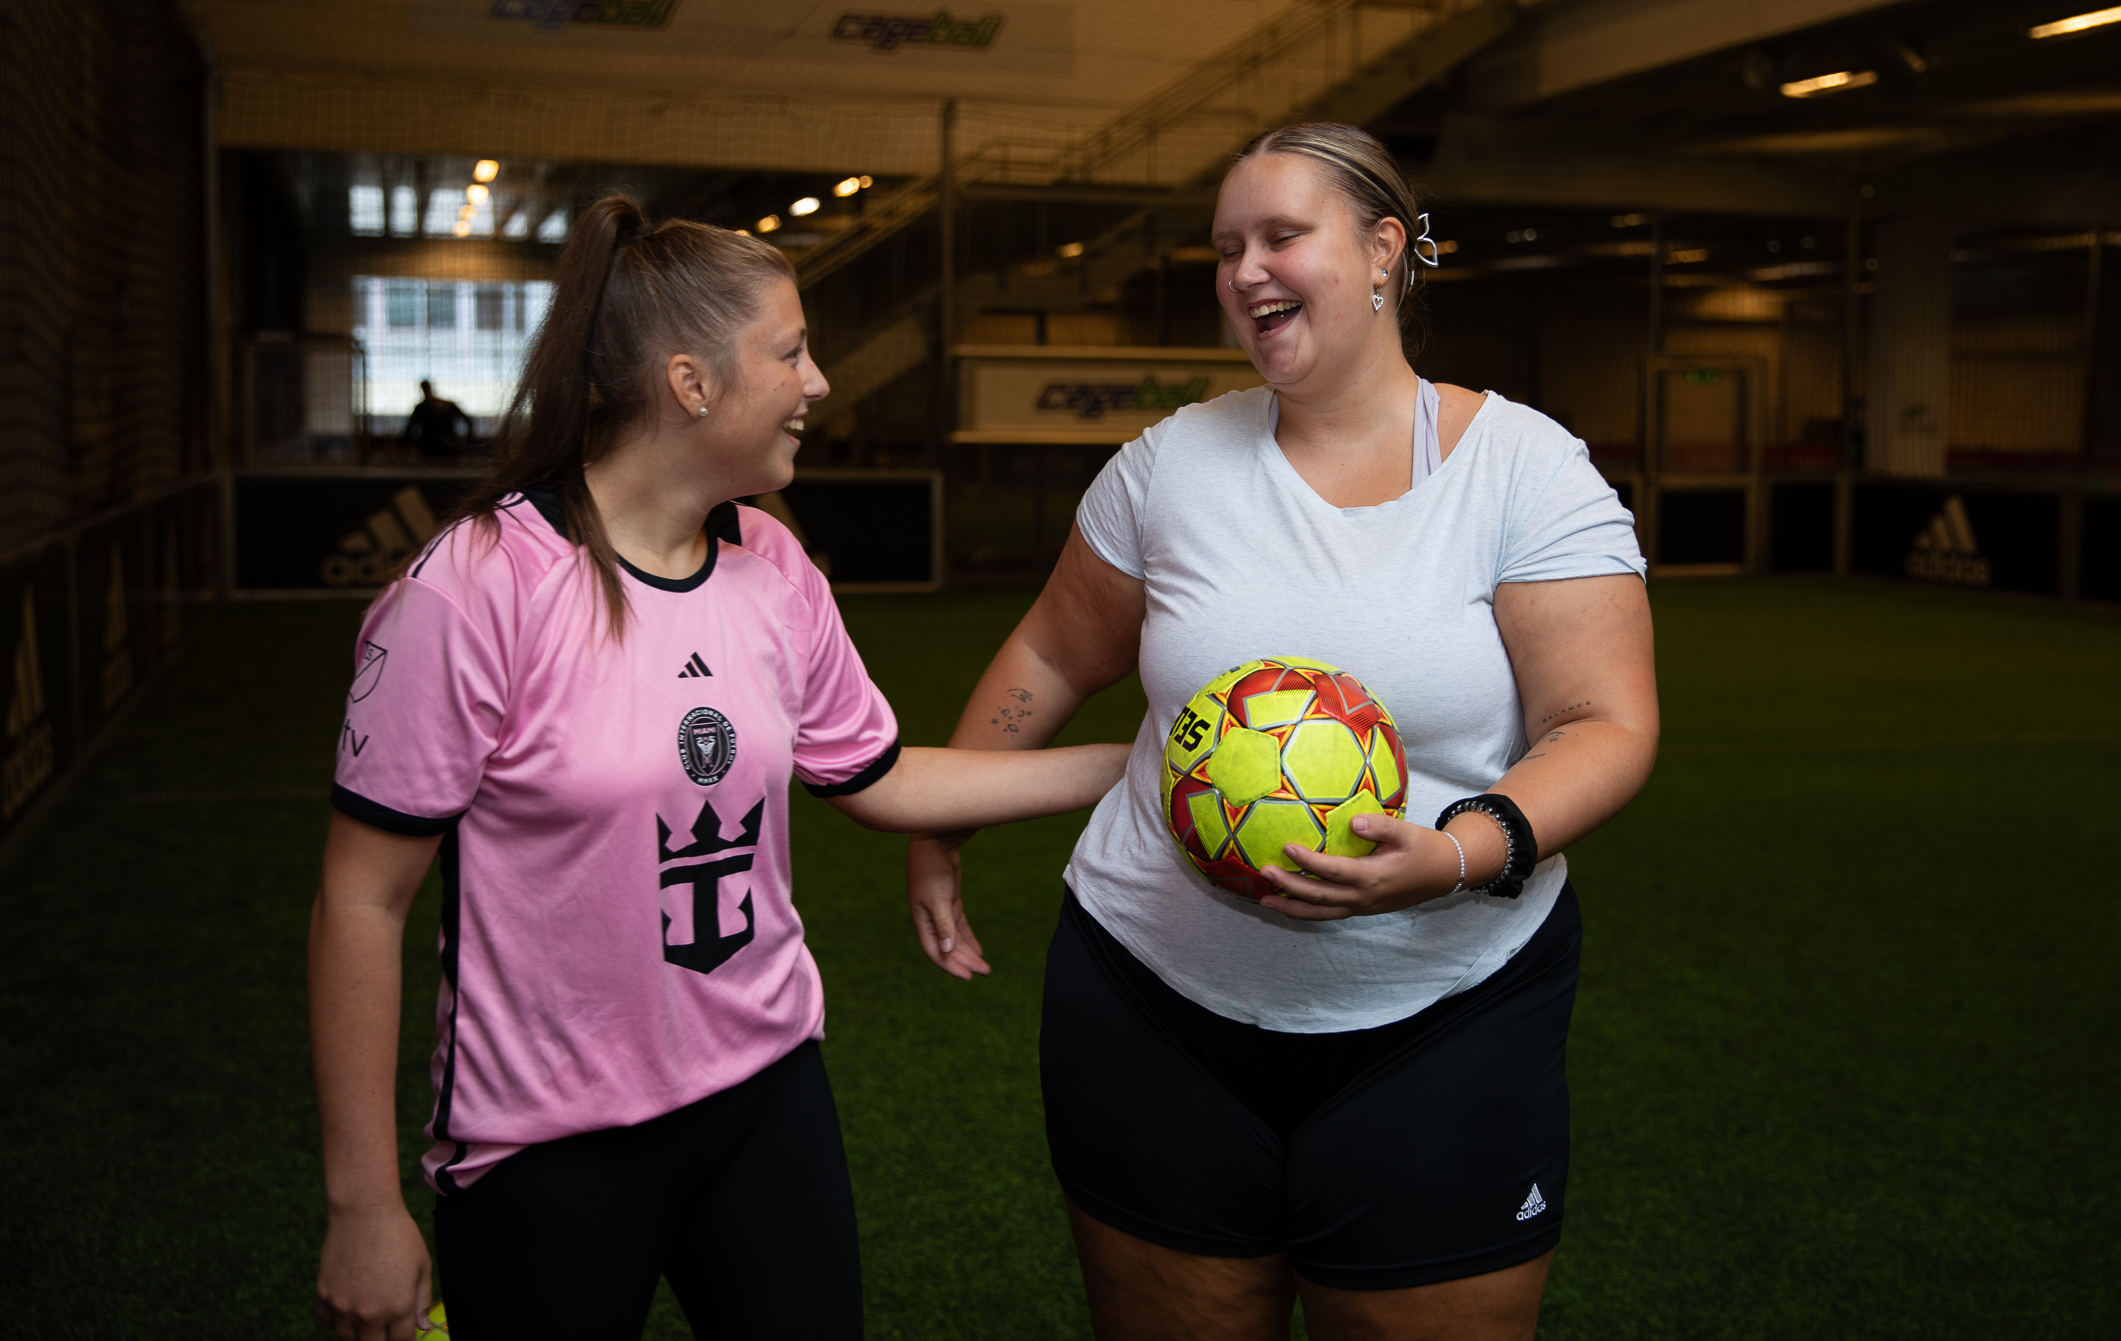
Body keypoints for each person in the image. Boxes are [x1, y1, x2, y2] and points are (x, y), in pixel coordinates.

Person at [310, 196, 1129, 1341]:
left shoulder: (774, 564)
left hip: (765, 1097)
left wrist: (1135, 764)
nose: (818, 382)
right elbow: (361, 898)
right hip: (546, 1142)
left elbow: (882, 777)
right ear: (691, 384)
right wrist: (361, 1203)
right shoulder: (477, 584)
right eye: (791, 352)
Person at [906, 124, 1659, 1341]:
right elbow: (1050, 653)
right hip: (1149, 999)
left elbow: (1603, 722)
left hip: (1446, 1007)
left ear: (1383, 249)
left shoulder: (1524, 471)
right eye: (1225, 248)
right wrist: (946, 823)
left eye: (1279, 237)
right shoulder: (1169, 464)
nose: (1244, 271)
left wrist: (1456, 853)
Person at [403, 380, 474, 460]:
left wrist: (407, 446)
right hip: (449, 448)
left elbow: (410, 428)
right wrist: (467, 443)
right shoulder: (449, 405)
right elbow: (468, 421)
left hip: (429, 449)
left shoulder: (421, 408)